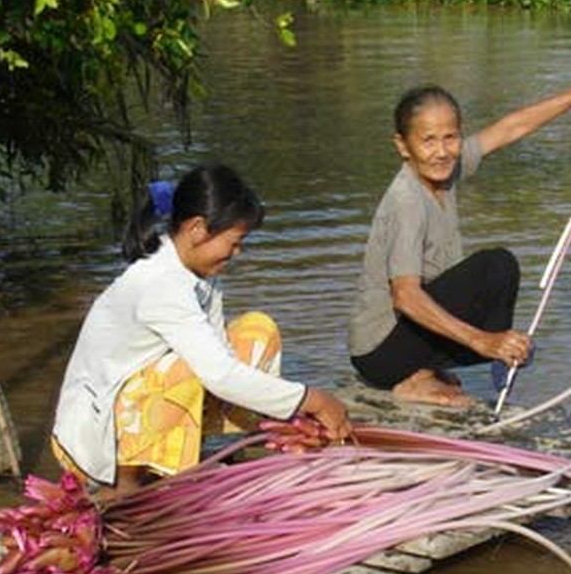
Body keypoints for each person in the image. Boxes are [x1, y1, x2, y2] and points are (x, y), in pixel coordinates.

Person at [348, 33, 571, 407]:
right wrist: (483, 341)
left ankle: (449, 366)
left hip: (404, 339)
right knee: (491, 265)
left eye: (450, 137)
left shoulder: (447, 167)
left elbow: (509, 128)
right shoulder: (406, 201)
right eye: (428, 141)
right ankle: (412, 378)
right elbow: (405, 297)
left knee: (502, 267)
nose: (442, 151)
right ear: (403, 146)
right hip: (379, 355)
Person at [52, 163, 352, 495]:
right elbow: (220, 375)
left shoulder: (198, 274)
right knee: (188, 372)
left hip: (132, 408)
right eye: (235, 242)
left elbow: (223, 354)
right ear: (197, 228)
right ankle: (126, 485)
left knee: (257, 331)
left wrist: (292, 413)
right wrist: (314, 399)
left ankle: (200, 450)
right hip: (96, 438)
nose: (237, 252)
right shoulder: (160, 283)